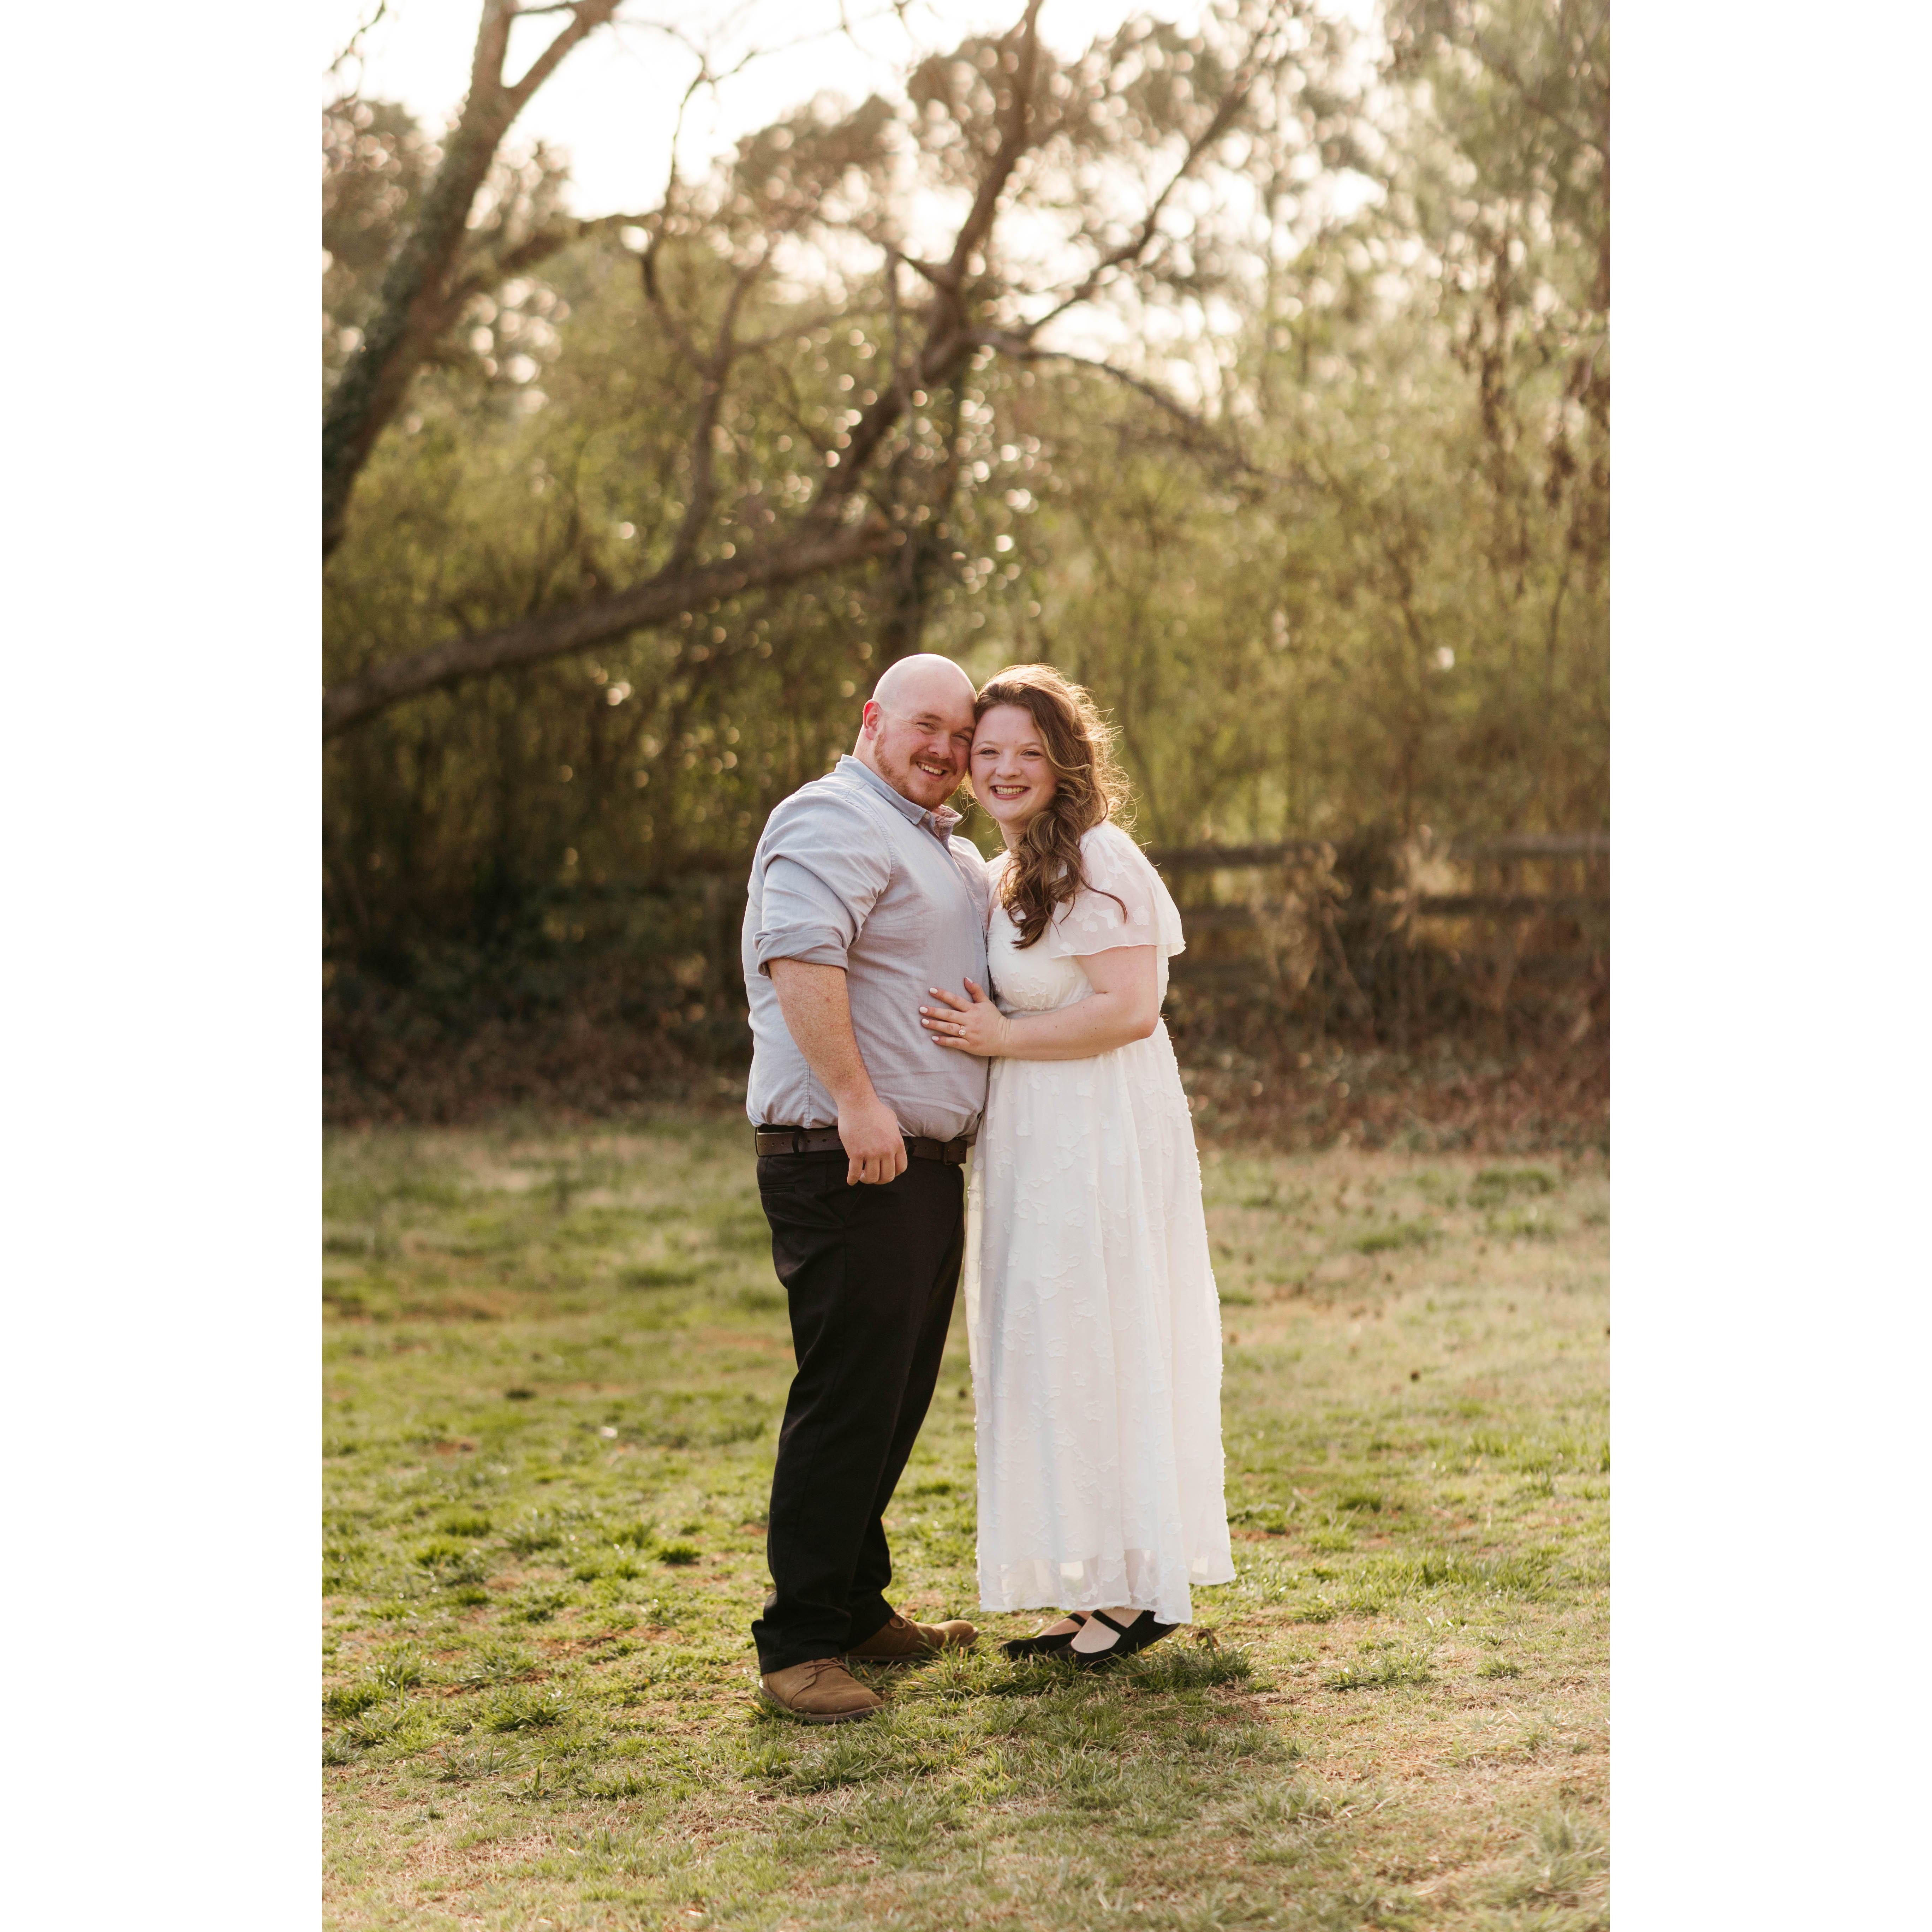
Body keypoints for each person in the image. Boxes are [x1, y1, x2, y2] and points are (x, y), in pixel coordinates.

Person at [917, 664, 1234, 1666]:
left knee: (1103, 1332)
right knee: (1057, 1346)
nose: (1006, 770)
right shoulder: (1010, 867)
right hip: (1037, 1136)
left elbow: (1132, 1009)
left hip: (1097, 1135)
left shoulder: (1099, 856)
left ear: (1065, 763)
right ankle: (1101, 1584)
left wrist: (1000, 1037)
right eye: (989, 752)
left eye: (1029, 752)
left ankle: (1139, 1588)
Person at [741, 653, 990, 1723]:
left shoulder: (935, 844)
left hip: (917, 1167)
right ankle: (798, 1643)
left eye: (963, 736)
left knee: (891, 1399)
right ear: (873, 718)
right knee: (848, 1398)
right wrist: (856, 1100)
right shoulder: (833, 816)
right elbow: (802, 957)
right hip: (849, 1157)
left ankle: (853, 1604)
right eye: (928, 726)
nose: (946, 749)